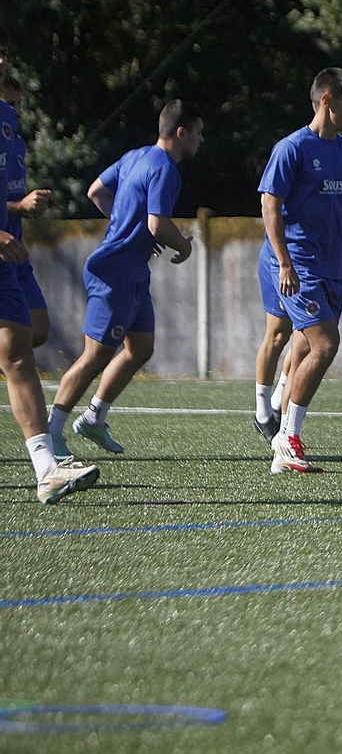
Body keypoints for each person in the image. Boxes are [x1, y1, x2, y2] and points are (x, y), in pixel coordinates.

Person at [48, 100, 204, 459]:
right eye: (198, 132)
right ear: (181, 132)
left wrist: (127, 226)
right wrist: (184, 246)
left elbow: (96, 191)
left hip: (132, 273)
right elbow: (158, 224)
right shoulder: (165, 168)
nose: (201, 140)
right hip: (113, 272)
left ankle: (94, 417)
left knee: (141, 348)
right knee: (95, 355)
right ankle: (51, 433)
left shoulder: (136, 156)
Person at [259, 67, 342, 474]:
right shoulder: (291, 148)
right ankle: (287, 435)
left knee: (305, 347)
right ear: (327, 101)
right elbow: (270, 206)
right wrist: (284, 263)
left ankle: (279, 428)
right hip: (302, 265)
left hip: (334, 268)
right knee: (326, 344)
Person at [0, 25, 97, 503]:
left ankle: (46, 467)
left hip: (9, 256)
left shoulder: (8, 133)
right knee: (17, 352)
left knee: (26, 341)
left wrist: (15, 214)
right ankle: (46, 467)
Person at [2, 76, 51, 352]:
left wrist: (32, 204)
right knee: (16, 347)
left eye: (19, 103)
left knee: (39, 329)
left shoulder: (18, 143)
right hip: (2, 251)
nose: (17, 111)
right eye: (10, 104)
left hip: (16, 250)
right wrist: (20, 206)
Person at [250, 238, 299, 441]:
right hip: (283, 259)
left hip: (319, 260)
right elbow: (270, 209)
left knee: (308, 337)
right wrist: (284, 263)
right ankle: (263, 414)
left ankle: (278, 400)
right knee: (278, 333)